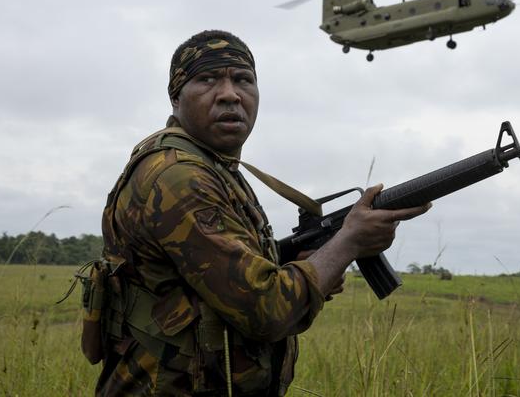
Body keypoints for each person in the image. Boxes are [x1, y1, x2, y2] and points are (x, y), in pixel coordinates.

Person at [97, 30, 431, 396]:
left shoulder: (214, 168)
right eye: (207, 79)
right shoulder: (180, 177)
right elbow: (265, 310)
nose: (229, 94)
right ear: (176, 97)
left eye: (243, 80)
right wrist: (348, 242)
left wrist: (309, 261)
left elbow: (229, 270)